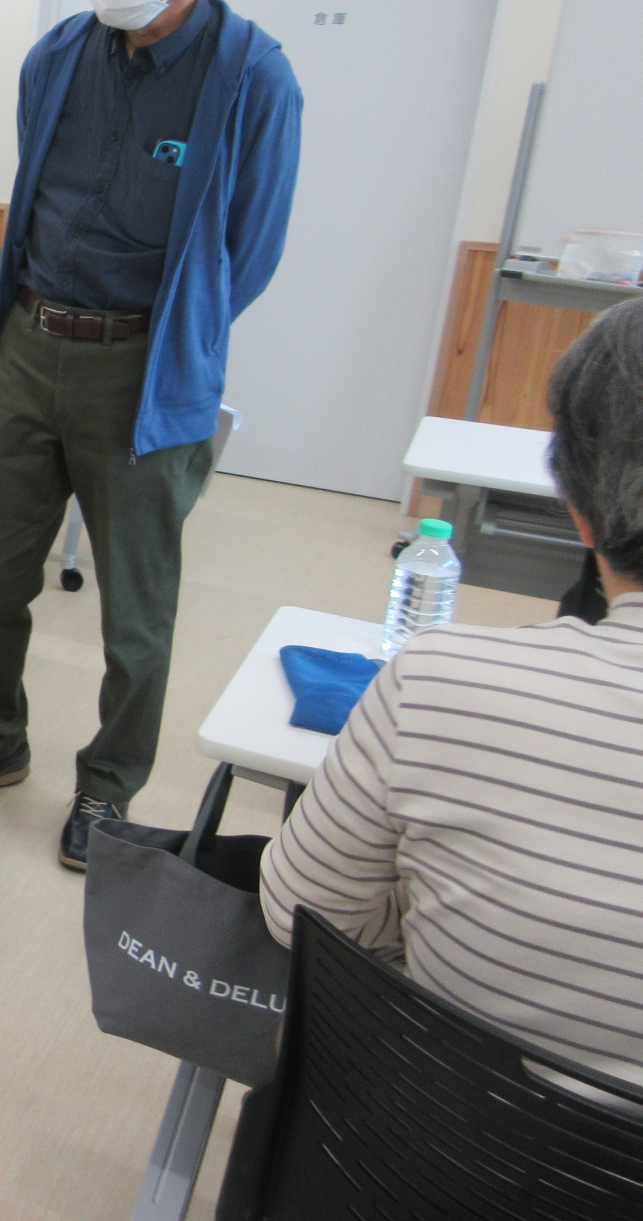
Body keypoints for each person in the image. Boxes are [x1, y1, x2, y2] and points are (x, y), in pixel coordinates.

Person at [0, 0, 303, 870]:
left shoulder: (253, 78)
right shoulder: (56, 59)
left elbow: (249, 252)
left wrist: (166, 340)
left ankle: (108, 788)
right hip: (31, 345)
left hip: (145, 370)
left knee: (137, 613)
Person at [260, 301, 643, 1085]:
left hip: (439, 1137)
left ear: (578, 508)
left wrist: (439, 913)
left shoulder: (443, 683)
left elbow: (302, 915)